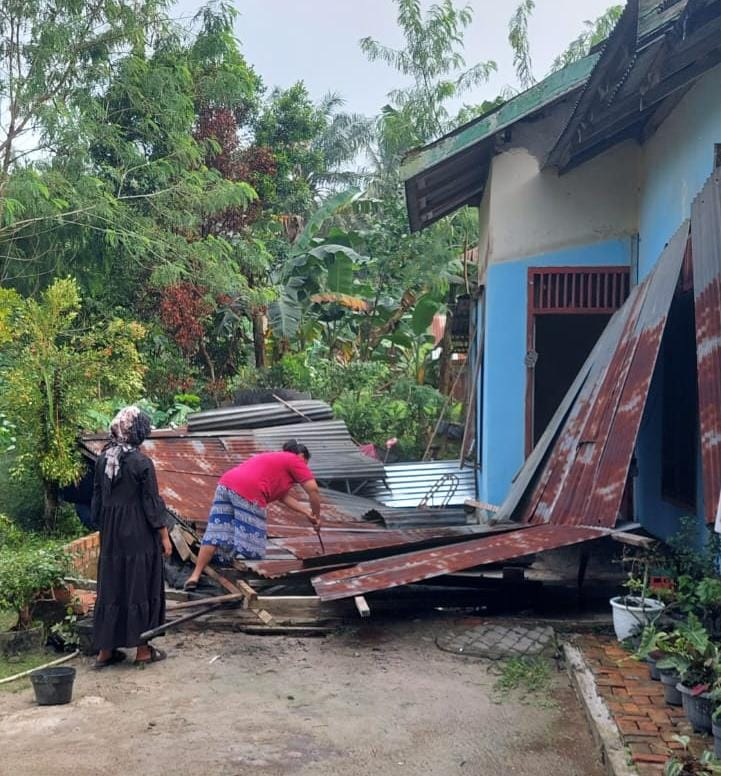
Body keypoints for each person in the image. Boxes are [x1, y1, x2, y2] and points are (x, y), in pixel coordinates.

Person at [91, 406, 171, 668]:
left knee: (112, 584)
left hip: (112, 534)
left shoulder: (104, 461)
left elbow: (97, 500)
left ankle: (105, 651)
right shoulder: (141, 463)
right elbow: (151, 503)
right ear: (138, 432)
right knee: (140, 584)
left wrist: (104, 526)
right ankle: (143, 651)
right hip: (138, 532)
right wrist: (164, 535)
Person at [184, 440, 321, 590]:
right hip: (249, 492)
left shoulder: (275, 462)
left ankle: (194, 576)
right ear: (301, 456)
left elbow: (284, 497)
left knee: (216, 533)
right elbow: (313, 490)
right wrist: (317, 516)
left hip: (225, 485)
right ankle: (245, 583)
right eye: (305, 465)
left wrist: (308, 513)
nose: (304, 469)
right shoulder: (294, 459)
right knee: (253, 549)